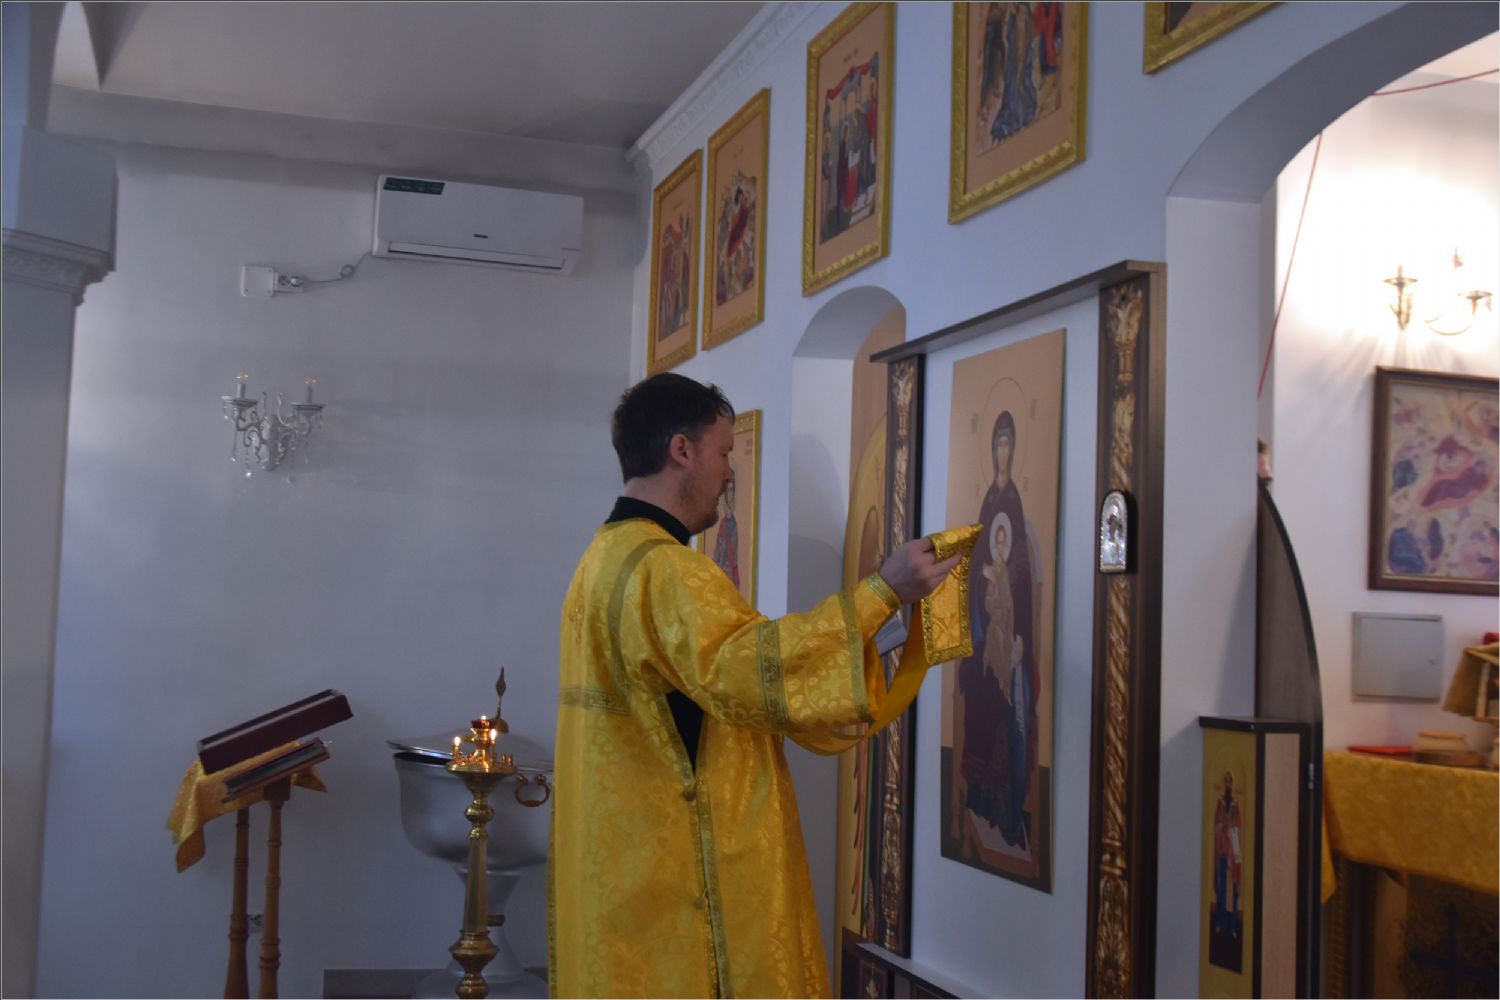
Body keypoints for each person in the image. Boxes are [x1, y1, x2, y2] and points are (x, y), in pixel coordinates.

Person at [550, 373, 960, 998]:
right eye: (723, 453)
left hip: (626, 879)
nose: (728, 474)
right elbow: (755, 672)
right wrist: (883, 592)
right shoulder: (668, 569)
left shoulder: (600, 559)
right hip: (682, 891)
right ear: (681, 450)